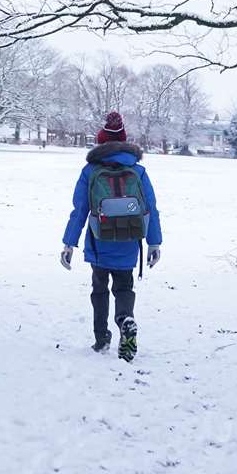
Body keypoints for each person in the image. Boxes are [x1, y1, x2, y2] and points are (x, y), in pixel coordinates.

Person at [59, 111, 162, 361]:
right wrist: (154, 242)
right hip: (129, 239)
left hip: (99, 238)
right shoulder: (138, 171)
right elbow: (150, 207)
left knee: (99, 288)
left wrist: (68, 243)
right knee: (124, 286)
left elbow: (80, 209)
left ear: (101, 141)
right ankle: (125, 319)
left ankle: (101, 338)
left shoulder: (90, 171)